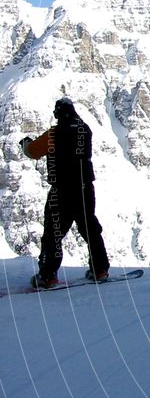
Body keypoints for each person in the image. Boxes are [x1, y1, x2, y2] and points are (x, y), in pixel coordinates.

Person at [19, 97, 110, 288]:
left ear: (58, 114)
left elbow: (33, 152)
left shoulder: (54, 133)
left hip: (62, 189)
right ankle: (99, 269)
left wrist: (26, 144)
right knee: (89, 227)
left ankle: (48, 275)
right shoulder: (85, 130)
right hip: (85, 187)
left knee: (53, 232)